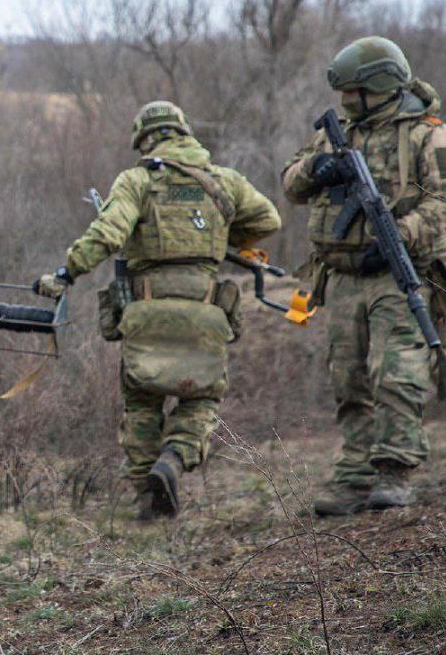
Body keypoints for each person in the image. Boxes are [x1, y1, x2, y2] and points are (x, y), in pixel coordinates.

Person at [34, 101, 280, 519]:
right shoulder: (225, 181)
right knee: (201, 399)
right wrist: (220, 235)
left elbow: (108, 232)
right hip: (205, 311)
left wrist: (65, 273)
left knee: (142, 404)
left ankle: (148, 500)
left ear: (145, 141)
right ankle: (174, 457)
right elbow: (268, 220)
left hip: (146, 311)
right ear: (184, 133)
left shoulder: (137, 180)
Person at [281, 36, 446, 516]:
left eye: (352, 92)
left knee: (395, 372)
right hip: (341, 276)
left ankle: (394, 471)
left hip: (400, 273)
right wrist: (318, 168)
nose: (344, 101)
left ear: (378, 87)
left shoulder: (429, 135)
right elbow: (291, 183)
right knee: (348, 375)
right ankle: (355, 474)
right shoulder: (337, 133)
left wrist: (401, 234)